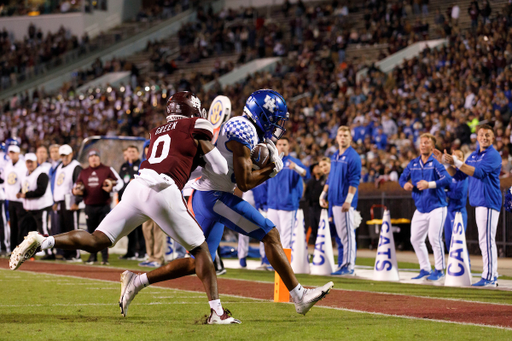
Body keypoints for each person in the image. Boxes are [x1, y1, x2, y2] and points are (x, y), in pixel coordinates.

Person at [10, 91, 240, 324]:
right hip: (162, 190)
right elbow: (220, 169)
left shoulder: (158, 131)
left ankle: (44, 241)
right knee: (201, 251)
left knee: (97, 239)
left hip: (137, 187)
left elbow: (182, 162)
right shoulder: (195, 126)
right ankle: (217, 313)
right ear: (190, 110)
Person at [120, 89, 333, 318]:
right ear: (261, 114)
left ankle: (137, 281)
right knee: (270, 234)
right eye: (274, 119)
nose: (277, 125)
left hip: (207, 195)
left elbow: (243, 170)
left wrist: (262, 157)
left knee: (195, 262)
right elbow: (244, 182)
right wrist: (270, 170)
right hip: (215, 196)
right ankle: (299, 296)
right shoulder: (242, 129)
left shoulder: (249, 129)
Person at [441, 125, 501, 287]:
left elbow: (479, 173)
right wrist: (446, 163)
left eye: (488, 135)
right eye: (481, 134)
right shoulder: (473, 155)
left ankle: (489, 276)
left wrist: (456, 161)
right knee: (484, 240)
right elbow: (459, 175)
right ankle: (491, 274)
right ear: (477, 137)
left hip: (488, 201)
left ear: (493, 138)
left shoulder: (493, 155)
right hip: (479, 202)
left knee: (486, 240)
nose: (484, 137)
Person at [399, 133, 452, 281]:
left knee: (434, 238)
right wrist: (405, 184)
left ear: (432, 146)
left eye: (427, 142)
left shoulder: (436, 162)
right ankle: (425, 268)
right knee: (415, 239)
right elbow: (402, 177)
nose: (423, 145)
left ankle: (440, 269)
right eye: (422, 142)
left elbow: (447, 179)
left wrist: (429, 185)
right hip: (421, 208)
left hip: (437, 206)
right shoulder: (413, 163)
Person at [320, 126, 361, 276]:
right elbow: (331, 178)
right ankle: (343, 264)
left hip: (345, 203)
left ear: (350, 138)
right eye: (340, 135)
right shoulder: (335, 155)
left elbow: (354, 180)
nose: (342, 138)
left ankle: (349, 266)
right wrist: (323, 194)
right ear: (336, 138)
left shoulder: (353, 157)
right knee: (342, 236)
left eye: (345, 135)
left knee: (348, 236)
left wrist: (349, 200)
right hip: (335, 201)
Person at [72, 150, 123, 265]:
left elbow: (119, 183)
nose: (94, 158)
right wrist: (76, 191)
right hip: (89, 206)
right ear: (88, 159)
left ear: (99, 158)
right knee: (91, 233)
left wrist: (111, 187)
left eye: (96, 156)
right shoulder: (84, 172)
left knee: (104, 232)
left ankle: (105, 258)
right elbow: (76, 186)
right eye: (91, 156)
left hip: (103, 205)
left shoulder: (107, 169)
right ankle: (92, 257)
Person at [267, 137, 310, 250]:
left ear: (288, 147)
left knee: (286, 239)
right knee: (271, 237)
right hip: (272, 205)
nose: (281, 146)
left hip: (288, 206)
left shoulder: (294, 162)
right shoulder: (270, 162)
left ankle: (285, 266)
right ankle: (272, 264)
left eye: (284, 144)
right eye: (279, 144)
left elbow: (307, 174)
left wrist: (296, 168)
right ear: (276, 146)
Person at [52, 144, 83, 262]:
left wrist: (77, 201)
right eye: (62, 155)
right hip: (61, 202)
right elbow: (58, 186)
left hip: (70, 201)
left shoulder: (76, 167)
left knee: (73, 229)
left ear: (71, 154)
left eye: (66, 155)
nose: (64, 157)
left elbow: (79, 185)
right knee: (64, 230)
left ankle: (76, 254)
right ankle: (67, 253)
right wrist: (55, 201)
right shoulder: (60, 167)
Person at [17, 153, 52, 247]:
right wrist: (20, 192)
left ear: (36, 162)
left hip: (42, 206)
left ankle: (49, 252)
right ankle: (32, 251)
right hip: (31, 208)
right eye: (28, 162)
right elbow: (25, 187)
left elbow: (41, 190)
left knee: (43, 230)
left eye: (31, 162)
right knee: (30, 232)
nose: (30, 164)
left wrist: (25, 195)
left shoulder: (42, 173)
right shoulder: (25, 174)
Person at [118, 145, 146, 260]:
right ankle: (130, 252)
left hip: (138, 202)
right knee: (129, 229)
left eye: (134, 151)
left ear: (138, 153)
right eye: (129, 151)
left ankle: (142, 252)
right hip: (126, 202)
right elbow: (120, 183)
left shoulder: (142, 165)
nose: (131, 153)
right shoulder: (124, 166)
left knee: (140, 229)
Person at [442, 150, 468, 250]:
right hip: (448, 212)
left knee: (458, 242)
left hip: (458, 212)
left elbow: (459, 194)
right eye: (454, 156)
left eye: (459, 157)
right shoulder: (447, 174)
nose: (456, 159)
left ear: (462, 160)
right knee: (448, 242)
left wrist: (446, 192)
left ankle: (466, 264)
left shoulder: (463, 175)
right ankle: (453, 266)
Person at [3, 145, 27, 251]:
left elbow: (26, 181)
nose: (12, 155)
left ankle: (21, 249)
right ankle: (13, 249)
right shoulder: (8, 165)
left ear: (18, 153)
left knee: (21, 226)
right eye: (10, 153)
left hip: (20, 200)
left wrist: (22, 192)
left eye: (14, 153)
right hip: (10, 199)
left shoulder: (23, 165)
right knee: (13, 225)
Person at [305, 158, 329, 245]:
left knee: (322, 226)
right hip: (312, 207)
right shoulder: (310, 182)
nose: (318, 169)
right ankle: (316, 246)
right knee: (313, 226)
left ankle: (325, 245)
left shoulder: (326, 180)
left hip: (322, 207)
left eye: (319, 167)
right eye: (316, 167)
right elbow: (307, 194)